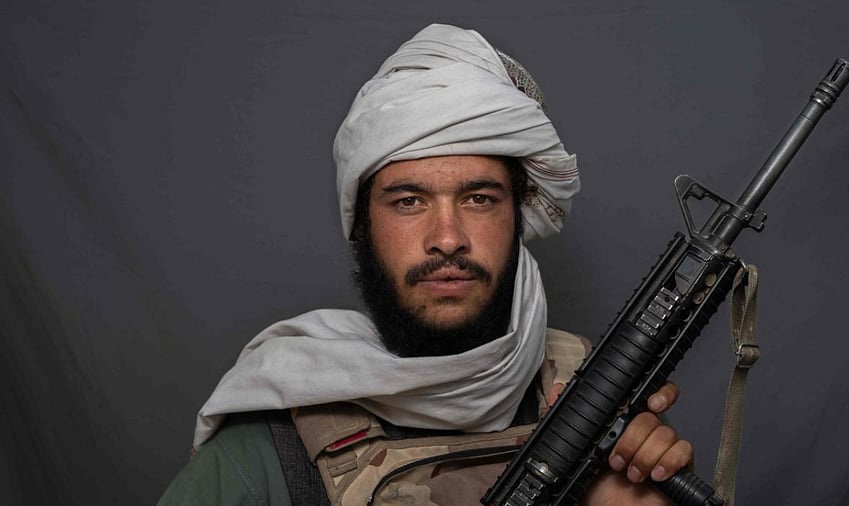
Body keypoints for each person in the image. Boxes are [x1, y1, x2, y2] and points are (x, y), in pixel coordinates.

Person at [157, 24, 693, 505]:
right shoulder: (269, 448)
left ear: (518, 215)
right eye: (408, 202)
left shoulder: (594, 395)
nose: (447, 239)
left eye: (479, 199)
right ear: (362, 225)